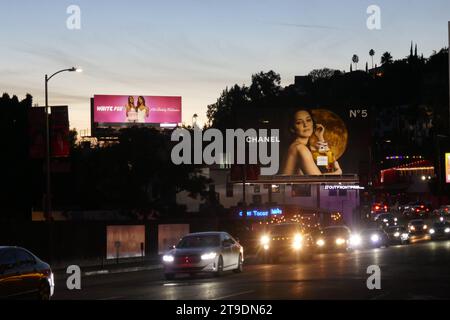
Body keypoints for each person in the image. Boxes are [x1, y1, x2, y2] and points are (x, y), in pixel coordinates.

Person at [282, 109, 342, 175]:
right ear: (292, 129)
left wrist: (320, 138)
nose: (305, 125)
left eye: (308, 120)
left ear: (313, 123)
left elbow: (330, 167)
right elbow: (318, 181)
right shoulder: (300, 148)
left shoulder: (301, 147)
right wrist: (338, 172)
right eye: (299, 122)